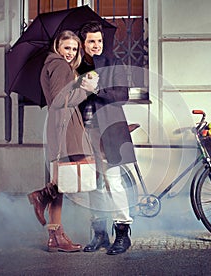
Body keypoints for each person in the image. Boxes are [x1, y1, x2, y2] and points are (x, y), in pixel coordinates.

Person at [27, 30, 98, 252]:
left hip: (61, 124)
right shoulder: (58, 64)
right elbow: (59, 101)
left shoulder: (56, 64)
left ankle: (55, 237)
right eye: (67, 47)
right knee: (69, 176)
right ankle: (41, 195)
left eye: (74, 49)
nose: (70, 52)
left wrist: (77, 82)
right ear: (58, 46)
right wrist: (86, 91)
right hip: (64, 126)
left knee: (63, 177)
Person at [77, 21, 137, 255]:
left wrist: (97, 89)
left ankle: (123, 233)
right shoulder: (77, 67)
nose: (96, 45)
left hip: (108, 133)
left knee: (114, 182)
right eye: (91, 41)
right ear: (83, 43)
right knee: (94, 186)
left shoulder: (113, 64)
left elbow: (122, 96)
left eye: (99, 40)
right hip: (84, 132)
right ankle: (100, 234)